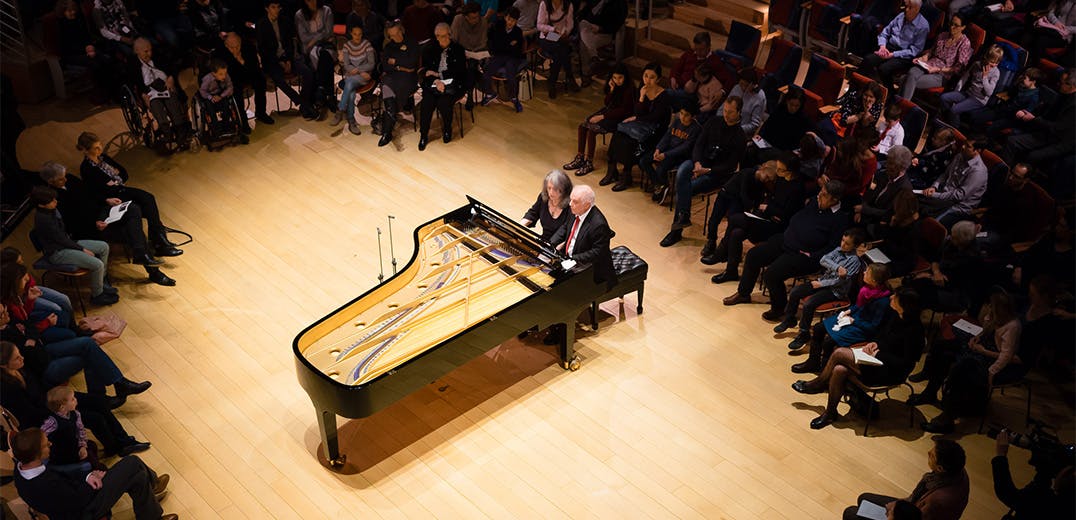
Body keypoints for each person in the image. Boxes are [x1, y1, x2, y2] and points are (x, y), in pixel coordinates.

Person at [792, 286, 923, 429]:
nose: (891, 298)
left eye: (895, 297)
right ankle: (830, 413)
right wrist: (875, 343)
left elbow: (905, 363)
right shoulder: (895, 315)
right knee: (839, 370)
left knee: (839, 353)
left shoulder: (915, 331)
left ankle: (818, 383)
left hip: (889, 372)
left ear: (904, 304)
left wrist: (878, 354)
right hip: (875, 361)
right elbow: (882, 335)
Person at [0, 340, 150, 456]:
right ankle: (115, 447)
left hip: (51, 400)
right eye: (17, 358)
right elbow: (29, 415)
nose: (22, 358)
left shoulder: (22, 368)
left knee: (98, 402)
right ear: (4, 366)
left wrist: (60, 396)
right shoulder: (7, 389)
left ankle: (124, 441)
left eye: (20, 354)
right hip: (45, 417)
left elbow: (42, 386)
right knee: (95, 418)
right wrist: (60, 409)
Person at [723, 180, 850, 315]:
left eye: (824, 195)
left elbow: (833, 248)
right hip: (786, 241)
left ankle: (779, 308)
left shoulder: (840, 219)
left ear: (834, 199)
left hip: (805, 255)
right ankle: (743, 294)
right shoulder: (815, 201)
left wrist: (813, 256)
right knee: (754, 255)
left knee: (772, 275)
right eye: (820, 191)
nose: (819, 195)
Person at [39, 162, 177, 287]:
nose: (66, 179)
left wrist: (107, 200)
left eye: (64, 176)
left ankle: (141, 253)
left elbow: (90, 193)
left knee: (133, 208)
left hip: (102, 213)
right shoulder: (51, 198)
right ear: (51, 181)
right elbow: (69, 223)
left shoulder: (70, 180)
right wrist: (96, 223)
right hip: (90, 228)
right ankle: (152, 269)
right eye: (61, 179)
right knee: (133, 232)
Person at [915, 288, 1024, 433]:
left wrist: (987, 361)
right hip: (980, 349)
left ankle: (948, 417)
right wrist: (977, 337)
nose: (988, 308)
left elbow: (1006, 355)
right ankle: (930, 391)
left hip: (990, 359)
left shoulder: (1012, 326)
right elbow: (985, 331)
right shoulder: (994, 318)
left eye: (992, 306)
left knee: (960, 369)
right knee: (943, 347)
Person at [12, 428, 177, 520]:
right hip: (83, 511)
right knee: (132, 463)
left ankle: (150, 495)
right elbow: (75, 501)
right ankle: (152, 486)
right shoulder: (44, 484)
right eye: (45, 445)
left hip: (74, 499)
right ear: (35, 454)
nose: (50, 444)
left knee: (138, 478)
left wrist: (87, 476)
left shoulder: (21, 469)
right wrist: (93, 478)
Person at [77, 132, 183, 259]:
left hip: (121, 190)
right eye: (96, 148)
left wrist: (113, 181)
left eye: (100, 145)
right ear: (85, 150)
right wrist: (108, 195)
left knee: (148, 198)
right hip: (113, 198)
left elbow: (124, 173)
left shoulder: (103, 158)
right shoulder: (86, 168)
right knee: (141, 207)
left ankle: (158, 240)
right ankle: (158, 243)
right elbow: (92, 191)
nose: (100, 149)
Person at [659, 96, 746, 247]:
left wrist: (707, 170)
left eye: (730, 112)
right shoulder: (714, 122)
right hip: (699, 163)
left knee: (684, 189)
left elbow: (730, 165)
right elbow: (699, 144)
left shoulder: (740, 136)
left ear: (739, 112)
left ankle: (676, 231)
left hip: (715, 173)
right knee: (682, 172)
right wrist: (698, 162)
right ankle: (684, 216)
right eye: (725, 110)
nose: (726, 114)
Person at [701, 155, 805, 273]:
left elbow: (787, 215)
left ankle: (719, 254)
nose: (777, 172)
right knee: (736, 233)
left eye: (780, 170)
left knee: (734, 219)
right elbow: (770, 199)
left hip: (778, 227)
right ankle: (731, 271)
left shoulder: (798, 189)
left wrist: (768, 208)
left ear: (790, 172)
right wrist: (766, 208)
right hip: (767, 219)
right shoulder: (781, 180)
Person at [544, 185, 616, 344]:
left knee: (561, 291)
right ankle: (540, 318)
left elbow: (598, 253)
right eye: (571, 200)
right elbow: (564, 228)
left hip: (591, 270)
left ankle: (558, 330)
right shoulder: (575, 211)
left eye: (575, 202)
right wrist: (550, 244)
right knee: (544, 277)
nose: (570, 204)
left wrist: (572, 257)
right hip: (570, 259)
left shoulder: (599, 224)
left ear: (587, 205)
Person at [792, 262, 893, 371]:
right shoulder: (868, 289)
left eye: (867, 272)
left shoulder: (883, 302)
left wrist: (854, 321)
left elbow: (873, 327)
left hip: (863, 329)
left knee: (828, 342)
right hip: (854, 320)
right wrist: (849, 310)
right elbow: (859, 306)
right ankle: (813, 362)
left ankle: (825, 370)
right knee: (818, 328)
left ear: (874, 280)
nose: (863, 272)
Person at [774, 228, 867, 344]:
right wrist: (837, 268)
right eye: (842, 240)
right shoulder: (838, 250)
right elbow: (823, 260)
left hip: (836, 291)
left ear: (855, 246)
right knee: (795, 291)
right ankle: (789, 319)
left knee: (809, 304)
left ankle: (804, 333)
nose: (843, 244)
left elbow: (840, 281)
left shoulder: (854, 261)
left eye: (847, 243)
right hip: (823, 282)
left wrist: (821, 284)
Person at [842, 439, 970, 520]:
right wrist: (898, 504)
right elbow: (914, 500)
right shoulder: (957, 471)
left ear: (940, 468)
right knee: (863, 498)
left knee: (850, 513)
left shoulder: (938, 501)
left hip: (911, 515)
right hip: (912, 506)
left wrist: (893, 513)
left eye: (931, 455)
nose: (927, 453)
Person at [30, 187, 115, 306]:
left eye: (55, 199)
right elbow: (60, 239)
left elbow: (64, 235)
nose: (56, 202)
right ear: (41, 205)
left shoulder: (52, 210)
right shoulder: (44, 220)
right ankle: (97, 295)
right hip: (57, 252)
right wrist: (82, 249)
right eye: (52, 201)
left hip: (66, 243)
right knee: (98, 264)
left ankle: (101, 282)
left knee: (103, 246)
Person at [601, 62, 671, 191]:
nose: (647, 80)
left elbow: (655, 117)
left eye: (652, 77)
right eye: (645, 76)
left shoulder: (664, 96)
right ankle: (612, 170)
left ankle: (626, 176)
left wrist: (637, 118)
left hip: (656, 131)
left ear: (658, 79)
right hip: (642, 125)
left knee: (630, 142)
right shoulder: (642, 89)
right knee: (618, 134)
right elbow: (638, 111)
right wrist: (641, 97)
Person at [563, 64, 634, 176]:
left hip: (620, 118)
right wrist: (611, 90)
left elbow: (623, 111)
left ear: (625, 77)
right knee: (582, 127)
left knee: (592, 130)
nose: (617, 80)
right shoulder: (614, 85)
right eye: (615, 78)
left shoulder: (629, 90)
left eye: (620, 78)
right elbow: (607, 103)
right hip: (609, 112)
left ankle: (589, 162)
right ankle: (580, 157)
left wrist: (602, 116)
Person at [992, 429, 1076, 519]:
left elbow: (1007, 493)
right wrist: (1001, 455)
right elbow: (1007, 493)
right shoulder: (1059, 508)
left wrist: (1001, 455)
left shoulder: (1048, 506)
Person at [1002, 68, 1076, 168]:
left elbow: (1057, 128)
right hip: (1048, 132)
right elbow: (1048, 115)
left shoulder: (1073, 106)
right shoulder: (1063, 94)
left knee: (1031, 155)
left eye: (1062, 83)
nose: (1058, 84)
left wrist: (1034, 119)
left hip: (1061, 141)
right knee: (1012, 138)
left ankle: (1016, 175)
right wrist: (1030, 114)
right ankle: (1007, 172)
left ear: (1072, 86)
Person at [255, 0, 317, 120]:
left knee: (308, 72)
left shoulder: (285, 20)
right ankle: (303, 104)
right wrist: (280, 62)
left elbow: (289, 43)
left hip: (288, 58)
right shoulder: (261, 24)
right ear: (267, 8)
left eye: (278, 7)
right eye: (273, 7)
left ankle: (304, 105)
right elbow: (263, 51)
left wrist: (288, 60)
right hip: (272, 61)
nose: (276, 10)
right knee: (279, 79)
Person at [129, 38, 190, 151]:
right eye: (145, 51)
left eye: (150, 50)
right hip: (149, 90)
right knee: (156, 106)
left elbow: (172, 67)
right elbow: (135, 82)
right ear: (137, 51)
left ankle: (181, 133)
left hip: (165, 84)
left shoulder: (158, 56)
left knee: (172, 103)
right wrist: (143, 95)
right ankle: (167, 134)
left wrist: (171, 77)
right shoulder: (133, 64)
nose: (149, 54)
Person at [917, 137, 988, 228]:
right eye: (964, 143)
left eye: (968, 146)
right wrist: (934, 187)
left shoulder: (978, 171)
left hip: (957, 206)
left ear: (977, 151)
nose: (962, 147)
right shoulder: (960, 156)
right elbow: (945, 174)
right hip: (943, 194)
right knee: (915, 206)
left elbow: (958, 196)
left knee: (929, 225)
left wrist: (935, 195)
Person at [899, 14, 972, 100]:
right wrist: (923, 57)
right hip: (928, 65)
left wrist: (938, 69)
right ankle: (901, 106)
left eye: (956, 25)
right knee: (911, 72)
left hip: (942, 74)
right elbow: (932, 51)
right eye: (951, 24)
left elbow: (959, 68)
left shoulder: (964, 43)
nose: (952, 27)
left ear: (963, 27)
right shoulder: (943, 35)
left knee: (905, 79)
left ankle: (901, 106)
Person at [858, 0, 929, 89]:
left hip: (904, 56)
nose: (906, 10)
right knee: (868, 60)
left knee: (884, 69)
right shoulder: (900, 16)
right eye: (906, 6)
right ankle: (855, 89)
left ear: (917, 9)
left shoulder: (923, 26)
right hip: (889, 48)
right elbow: (885, 33)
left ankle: (890, 94)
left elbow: (914, 51)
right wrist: (882, 47)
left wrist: (892, 55)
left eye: (910, 8)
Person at [418, 23, 466, 151]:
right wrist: (436, 80)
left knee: (444, 102)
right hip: (433, 84)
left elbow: (459, 71)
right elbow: (426, 71)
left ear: (450, 35)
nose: (442, 39)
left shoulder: (458, 49)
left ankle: (447, 130)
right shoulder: (429, 48)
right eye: (439, 36)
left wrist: (439, 74)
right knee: (427, 103)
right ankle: (423, 135)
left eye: (444, 36)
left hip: (452, 84)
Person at [642, 102, 702, 199]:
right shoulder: (677, 122)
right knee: (644, 161)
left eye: (686, 115)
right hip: (667, 150)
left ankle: (662, 185)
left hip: (680, 156)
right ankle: (659, 184)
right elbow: (667, 137)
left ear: (693, 116)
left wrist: (665, 154)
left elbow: (685, 148)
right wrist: (658, 149)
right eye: (681, 113)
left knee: (661, 168)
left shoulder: (696, 129)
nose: (683, 117)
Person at [215, 32, 274, 131]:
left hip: (248, 71)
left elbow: (254, 67)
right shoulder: (221, 53)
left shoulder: (249, 47)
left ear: (241, 42)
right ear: (226, 45)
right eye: (231, 47)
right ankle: (242, 119)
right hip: (232, 78)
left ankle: (261, 113)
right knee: (236, 90)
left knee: (261, 81)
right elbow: (225, 74)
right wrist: (235, 59)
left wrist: (241, 60)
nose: (235, 49)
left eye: (237, 46)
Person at [377, 21, 422, 147]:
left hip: (408, 78)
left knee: (394, 90)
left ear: (401, 30)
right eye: (392, 35)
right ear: (389, 36)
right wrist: (401, 67)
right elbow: (386, 66)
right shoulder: (389, 47)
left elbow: (412, 64)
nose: (396, 37)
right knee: (385, 84)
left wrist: (395, 62)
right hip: (392, 77)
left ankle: (387, 128)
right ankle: (387, 130)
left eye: (397, 33)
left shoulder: (412, 43)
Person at [939, 44, 1003, 127]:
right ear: (986, 58)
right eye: (991, 62)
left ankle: (953, 130)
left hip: (978, 99)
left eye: (996, 63)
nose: (993, 65)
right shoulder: (977, 64)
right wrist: (957, 91)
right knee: (944, 97)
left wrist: (985, 77)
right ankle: (948, 121)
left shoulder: (996, 72)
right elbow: (964, 78)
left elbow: (989, 92)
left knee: (954, 110)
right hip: (967, 93)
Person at [745, 87, 811, 167]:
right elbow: (766, 127)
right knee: (748, 151)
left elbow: (797, 144)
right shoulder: (779, 110)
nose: (793, 108)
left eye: (797, 106)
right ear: (787, 101)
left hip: (782, 152)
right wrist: (756, 139)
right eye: (791, 104)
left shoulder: (803, 120)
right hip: (766, 144)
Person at [478, 7, 527, 113]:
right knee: (486, 73)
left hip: (512, 57)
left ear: (516, 21)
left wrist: (504, 46)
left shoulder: (518, 32)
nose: (510, 22)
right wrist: (509, 45)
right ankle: (490, 93)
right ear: (505, 17)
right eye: (509, 19)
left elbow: (517, 51)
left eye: (513, 20)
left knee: (511, 76)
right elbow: (494, 45)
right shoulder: (497, 26)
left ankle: (514, 98)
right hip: (498, 56)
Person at [331, 24, 376, 135]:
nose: (357, 36)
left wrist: (358, 70)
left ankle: (340, 109)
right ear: (351, 34)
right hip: (352, 75)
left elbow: (371, 64)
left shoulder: (367, 45)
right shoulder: (347, 46)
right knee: (350, 90)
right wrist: (359, 70)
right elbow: (346, 65)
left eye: (360, 34)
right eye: (355, 34)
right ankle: (351, 121)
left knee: (349, 83)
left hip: (364, 77)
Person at [41, 386, 96, 476]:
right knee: (90, 460)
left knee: (92, 447)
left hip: (74, 445)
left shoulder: (76, 414)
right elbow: (41, 434)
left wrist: (82, 445)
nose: (76, 400)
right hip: (61, 453)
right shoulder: (52, 422)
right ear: (62, 407)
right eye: (72, 399)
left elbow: (81, 430)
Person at [296, 0, 337, 114]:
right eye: (309, 0)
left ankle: (321, 94)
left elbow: (329, 32)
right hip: (308, 49)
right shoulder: (299, 15)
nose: (312, 2)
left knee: (325, 55)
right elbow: (303, 38)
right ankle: (329, 95)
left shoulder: (326, 11)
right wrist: (321, 36)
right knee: (321, 57)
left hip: (327, 46)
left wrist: (314, 39)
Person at [858, 145, 914, 229]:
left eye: (890, 163)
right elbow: (869, 194)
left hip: (877, 223)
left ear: (901, 167)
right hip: (864, 212)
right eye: (887, 161)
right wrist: (859, 210)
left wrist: (864, 210)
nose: (886, 165)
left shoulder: (905, 189)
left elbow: (889, 213)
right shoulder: (884, 174)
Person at [816, 80, 884, 146]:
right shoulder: (855, 96)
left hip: (858, 133)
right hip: (839, 124)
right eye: (866, 95)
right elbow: (844, 120)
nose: (867, 99)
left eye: (871, 97)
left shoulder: (878, 106)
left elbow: (865, 125)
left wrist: (866, 110)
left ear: (876, 98)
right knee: (820, 131)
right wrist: (860, 116)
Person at [199, 59, 248, 146]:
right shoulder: (207, 79)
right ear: (214, 73)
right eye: (221, 74)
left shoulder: (226, 77)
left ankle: (227, 125)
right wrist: (211, 97)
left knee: (226, 104)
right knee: (209, 107)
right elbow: (202, 91)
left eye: (225, 73)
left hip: (221, 94)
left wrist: (221, 96)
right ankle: (215, 128)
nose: (224, 76)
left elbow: (230, 87)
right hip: (210, 97)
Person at [451, 2, 488, 110]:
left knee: (471, 67)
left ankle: (470, 94)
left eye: (477, 17)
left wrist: (474, 52)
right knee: (463, 67)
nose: (476, 20)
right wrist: (463, 52)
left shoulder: (483, 22)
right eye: (472, 18)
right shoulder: (458, 20)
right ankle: (459, 91)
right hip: (460, 52)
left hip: (476, 53)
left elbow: (483, 42)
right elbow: (453, 40)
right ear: (465, 17)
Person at [576, 0, 626, 79]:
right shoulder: (549, 8)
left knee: (581, 40)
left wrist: (600, 29)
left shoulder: (565, 7)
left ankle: (584, 73)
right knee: (560, 45)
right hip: (554, 36)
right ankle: (593, 58)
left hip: (601, 33)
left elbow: (617, 23)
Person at [536, 0, 576, 99]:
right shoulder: (544, 4)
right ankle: (570, 77)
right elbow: (539, 25)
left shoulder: (568, 4)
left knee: (559, 52)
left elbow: (570, 23)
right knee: (561, 50)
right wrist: (552, 29)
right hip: (548, 35)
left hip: (561, 36)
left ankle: (552, 83)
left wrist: (565, 32)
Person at [523, 170, 573, 241]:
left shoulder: (571, 207)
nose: (551, 193)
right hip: (544, 240)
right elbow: (533, 213)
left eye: (555, 189)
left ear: (564, 189)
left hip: (558, 247)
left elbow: (567, 235)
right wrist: (519, 226)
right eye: (549, 188)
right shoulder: (544, 198)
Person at [716, 68, 766, 137]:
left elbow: (754, 124)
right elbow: (724, 105)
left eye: (746, 85)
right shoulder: (737, 87)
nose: (742, 87)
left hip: (740, 131)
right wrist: (719, 119)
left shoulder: (759, 97)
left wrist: (736, 129)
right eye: (741, 84)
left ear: (753, 84)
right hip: (725, 124)